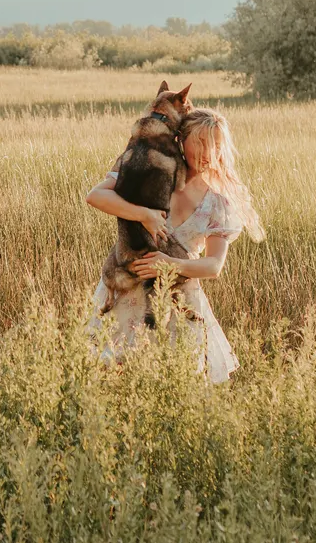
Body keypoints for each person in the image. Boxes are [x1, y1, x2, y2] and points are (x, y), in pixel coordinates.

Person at [84, 106, 265, 383]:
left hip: (178, 301)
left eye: (216, 146)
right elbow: (96, 196)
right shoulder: (150, 170)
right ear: (180, 139)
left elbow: (214, 266)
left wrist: (168, 265)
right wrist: (144, 214)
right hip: (126, 292)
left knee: (177, 382)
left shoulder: (218, 202)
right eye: (200, 143)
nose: (208, 154)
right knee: (110, 377)